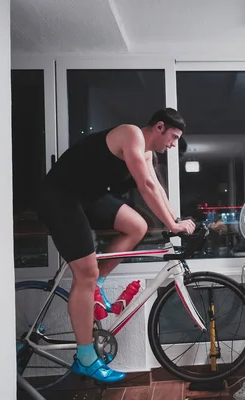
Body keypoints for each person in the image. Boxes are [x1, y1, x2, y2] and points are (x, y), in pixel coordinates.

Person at [36, 108, 196, 383]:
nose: (173, 144)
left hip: (87, 197)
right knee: (85, 273)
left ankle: (98, 284)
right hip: (60, 196)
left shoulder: (147, 153)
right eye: (173, 136)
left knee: (137, 226)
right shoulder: (131, 134)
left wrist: (175, 219)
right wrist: (172, 225)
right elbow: (144, 184)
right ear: (159, 127)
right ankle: (86, 358)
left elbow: (156, 189)